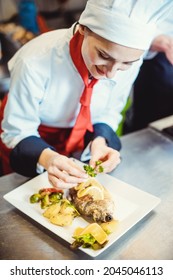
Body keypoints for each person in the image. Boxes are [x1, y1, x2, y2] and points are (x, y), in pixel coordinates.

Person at [0, 0, 173, 189]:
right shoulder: (35, 61)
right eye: (104, 55)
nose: (111, 73)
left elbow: (110, 111)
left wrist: (99, 140)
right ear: (83, 29)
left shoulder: (129, 60)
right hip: (32, 136)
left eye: (126, 64)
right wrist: (48, 158)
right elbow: (18, 129)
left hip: (79, 136)